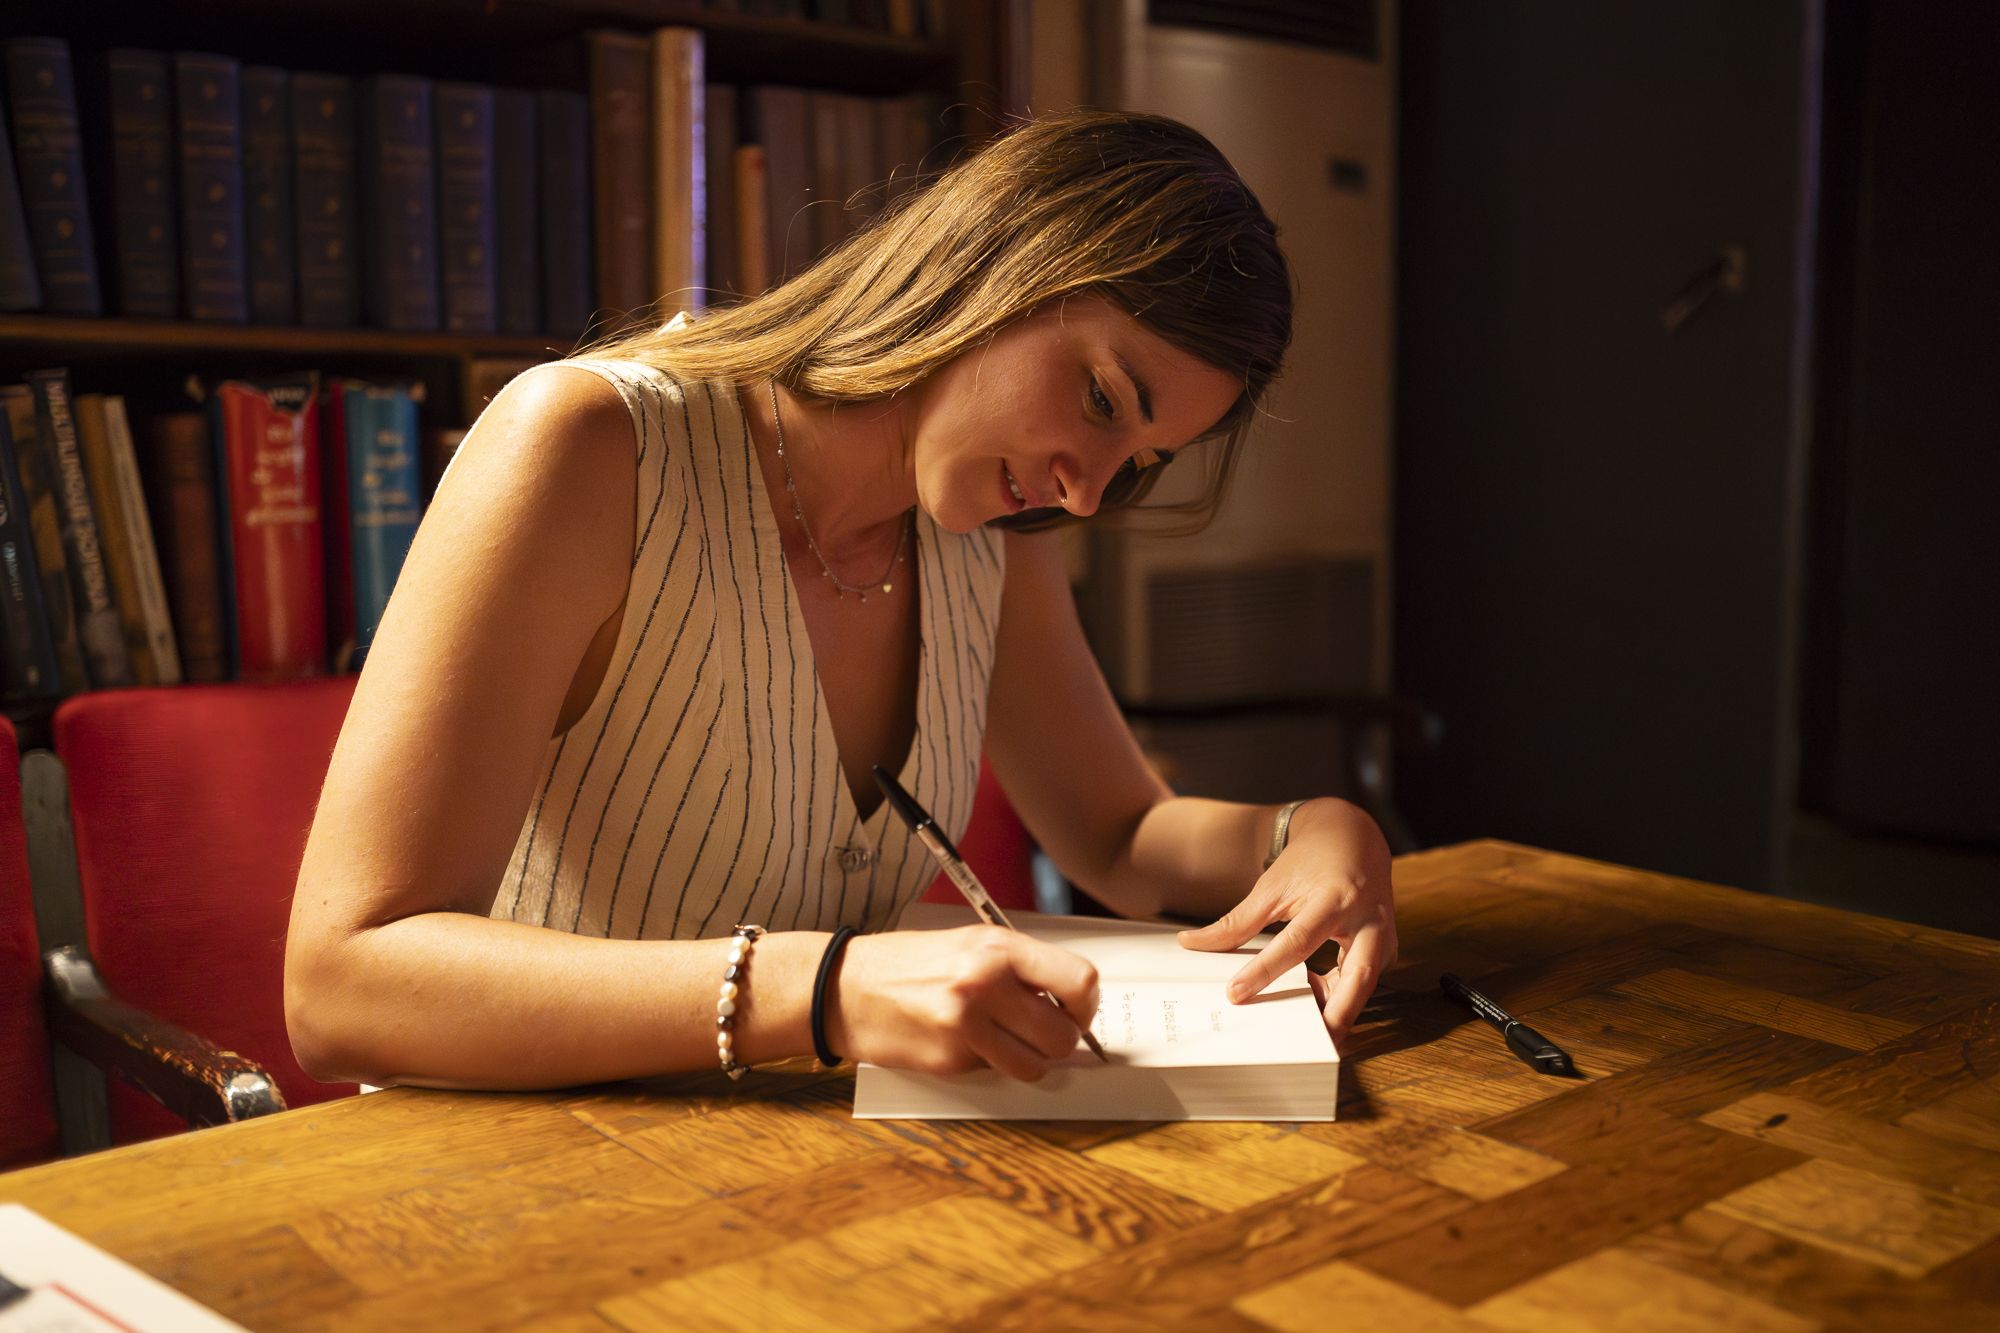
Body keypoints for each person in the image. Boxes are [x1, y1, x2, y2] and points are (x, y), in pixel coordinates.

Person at [284, 109, 1396, 1092]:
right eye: (1102, 398)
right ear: (993, 261)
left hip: (823, 1177)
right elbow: (342, 984)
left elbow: (1118, 830)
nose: (1085, 491)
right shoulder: (587, 448)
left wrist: (1307, 828)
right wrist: (828, 990)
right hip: (522, 1181)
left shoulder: (996, 533)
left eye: (1140, 460)